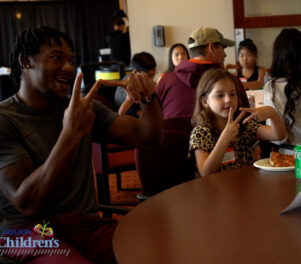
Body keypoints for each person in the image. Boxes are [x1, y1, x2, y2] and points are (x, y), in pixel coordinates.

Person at [0, 26, 162, 263]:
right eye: (57, 58)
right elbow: (28, 203)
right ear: (26, 61)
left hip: (84, 226)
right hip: (26, 232)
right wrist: (71, 134)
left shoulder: (83, 108)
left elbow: (149, 137)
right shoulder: (5, 119)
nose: (68, 67)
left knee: (153, 252)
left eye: (70, 61)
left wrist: (148, 98)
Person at [189, 69, 286, 177]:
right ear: (205, 101)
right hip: (215, 190)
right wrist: (225, 138)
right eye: (220, 95)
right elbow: (205, 172)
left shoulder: (243, 124)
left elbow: (278, 135)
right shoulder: (201, 132)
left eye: (232, 94)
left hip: (245, 185)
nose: (228, 100)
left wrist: (273, 114)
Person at [156, 26, 249, 119]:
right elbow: (246, 121)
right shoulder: (230, 83)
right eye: (223, 49)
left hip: (172, 133)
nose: (225, 54)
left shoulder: (165, 81)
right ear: (211, 48)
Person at [115, 52, 157, 116]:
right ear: (135, 72)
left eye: (153, 75)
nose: (151, 80)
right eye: (148, 76)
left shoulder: (129, 77)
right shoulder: (133, 87)